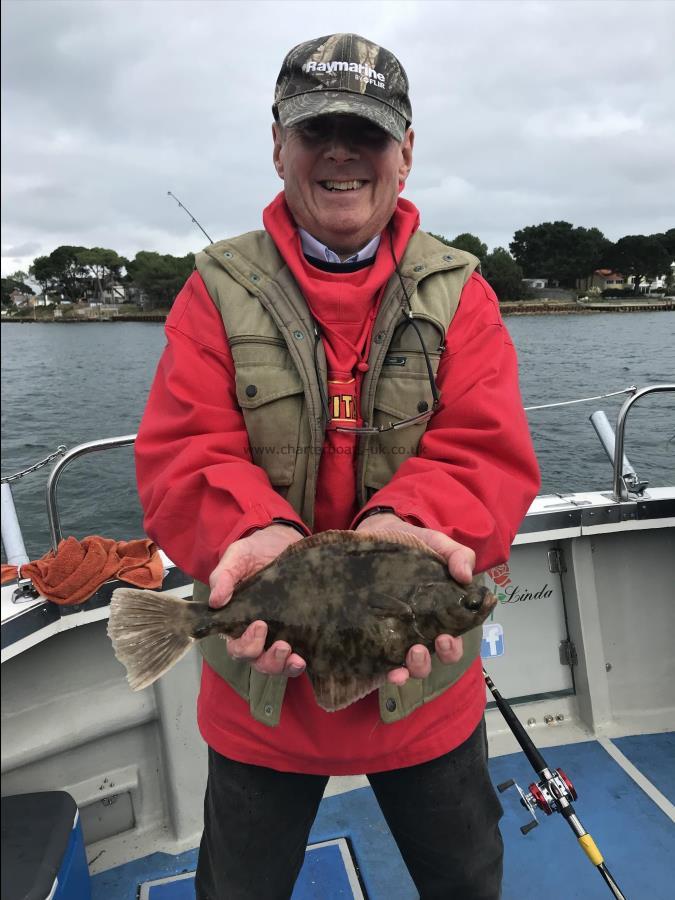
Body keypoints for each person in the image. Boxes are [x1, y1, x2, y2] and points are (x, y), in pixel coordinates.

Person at [135, 32, 540, 900]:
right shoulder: (213, 291)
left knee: (465, 882)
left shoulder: (462, 290)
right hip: (259, 690)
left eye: (366, 132)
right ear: (277, 145)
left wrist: (412, 527)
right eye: (316, 131)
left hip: (426, 694)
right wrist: (253, 535)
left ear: (406, 152)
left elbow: (484, 452)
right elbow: (184, 454)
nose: (340, 154)